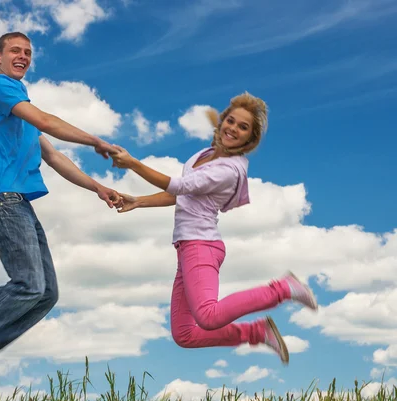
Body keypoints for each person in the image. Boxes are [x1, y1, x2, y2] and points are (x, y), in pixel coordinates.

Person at [0, 31, 122, 392]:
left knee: (46, 293)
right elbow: (47, 122)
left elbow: (55, 156)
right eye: (15, 50)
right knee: (30, 284)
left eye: (28, 52)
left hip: (20, 205)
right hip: (2, 201)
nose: (23, 56)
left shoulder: (20, 111)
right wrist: (96, 140)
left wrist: (98, 187)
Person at [108, 92, 318, 364]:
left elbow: (179, 186)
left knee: (208, 316)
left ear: (249, 139)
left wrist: (133, 163)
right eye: (231, 121)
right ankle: (256, 332)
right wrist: (138, 201)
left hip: (201, 246)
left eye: (243, 127)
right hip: (186, 248)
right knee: (184, 334)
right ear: (223, 121)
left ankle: (283, 288)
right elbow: (184, 195)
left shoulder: (228, 169)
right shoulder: (204, 155)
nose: (234, 128)